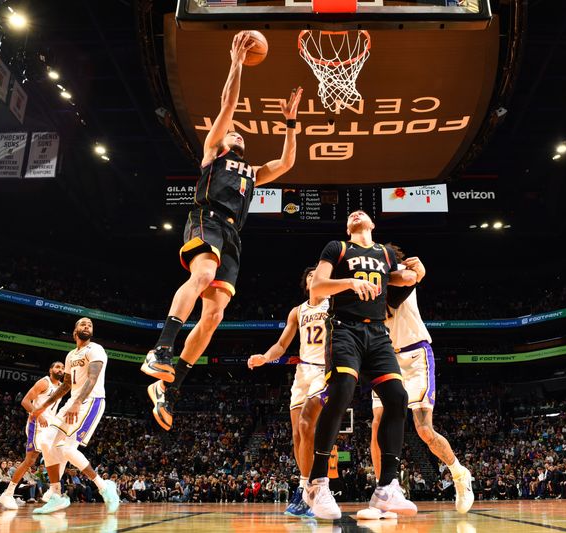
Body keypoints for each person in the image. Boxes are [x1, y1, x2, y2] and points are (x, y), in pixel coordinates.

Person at [142, 32, 303, 430]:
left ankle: (170, 387)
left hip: (233, 236)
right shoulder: (214, 152)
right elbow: (228, 104)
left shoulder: (251, 171)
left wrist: (290, 121)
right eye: (234, 131)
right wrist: (235, 63)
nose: (237, 133)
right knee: (203, 274)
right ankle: (161, 348)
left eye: (239, 134)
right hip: (206, 218)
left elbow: (285, 163)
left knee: (214, 316)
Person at [302, 210, 419, 520]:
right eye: (351, 215)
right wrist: (351, 282)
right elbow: (317, 286)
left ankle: (386, 489)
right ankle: (316, 482)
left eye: (362, 213)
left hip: (378, 332)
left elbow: (397, 279)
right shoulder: (338, 248)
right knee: (342, 391)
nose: (356, 214)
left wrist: (415, 274)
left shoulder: (385, 253)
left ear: (372, 225)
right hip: (344, 328)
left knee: (397, 397)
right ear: (348, 227)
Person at [368, 244, 474, 514]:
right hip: (385, 357)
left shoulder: (400, 271)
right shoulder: (366, 280)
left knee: (424, 430)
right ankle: (385, 490)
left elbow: (413, 276)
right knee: (377, 425)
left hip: (415, 354)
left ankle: (460, 475)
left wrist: (418, 270)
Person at [247, 266, 327, 517]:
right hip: (302, 372)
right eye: (311, 275)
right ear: (306, 283)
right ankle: (305, 488)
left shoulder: (334, 305)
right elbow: (282, 344)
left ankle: (309, 490)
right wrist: (265, 357)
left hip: (325, 370)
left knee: (308, 428)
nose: (315, 276)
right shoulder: (298, 311)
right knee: (296, 434)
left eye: (319, 274)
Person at [30, 317, 119, 514]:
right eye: (82, 324)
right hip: (73, 402)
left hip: (91, 401)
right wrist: (42, 407)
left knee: (67, 448)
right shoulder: (70, 355)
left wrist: (77, 402)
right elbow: (67, 385)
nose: (87, 326)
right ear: (74, 332)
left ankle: (104, 487)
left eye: (90, 325)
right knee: (45, 440)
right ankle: (56, 495)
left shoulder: (95, 349)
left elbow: (93, 378)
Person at [0, 361, 66, 510]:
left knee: (59, 453)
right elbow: (25, 401)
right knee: (30, 460)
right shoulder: (44, 383)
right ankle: (8, 493)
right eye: (57, 367)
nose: (60, 369)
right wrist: (38, 415)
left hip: (50, 425)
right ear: (50, 370)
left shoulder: (62, 386)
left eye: (62, 368)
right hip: (36, 424)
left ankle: (54, 492)